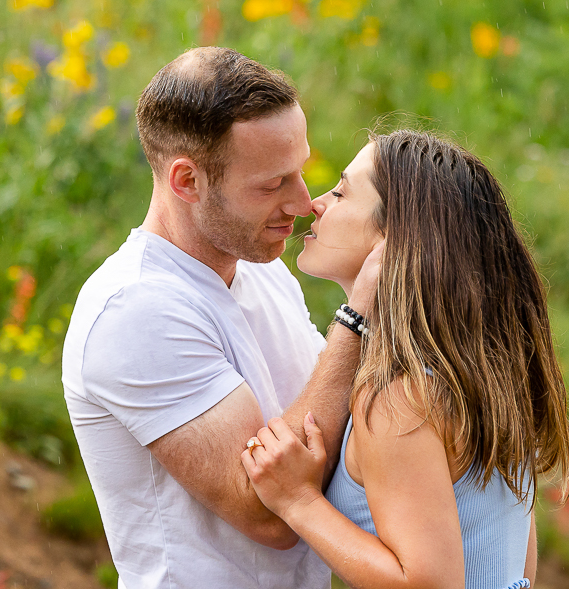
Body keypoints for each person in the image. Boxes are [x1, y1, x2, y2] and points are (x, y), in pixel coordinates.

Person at [62, 47, 380, 589]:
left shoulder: (261, 269)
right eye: (271, 184)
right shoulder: (134, 311)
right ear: (187, 182)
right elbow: (268, 513)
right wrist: (357, 321)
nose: (303, 202)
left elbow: (331, 431)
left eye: (300, 172)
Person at [240, 130, 569, 589]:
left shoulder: (400, 399)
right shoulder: (480, 378)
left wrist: (299, 502)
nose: (315, 203)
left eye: (340, 191)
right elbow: (517, 570)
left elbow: (429, 584)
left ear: (394, 238)